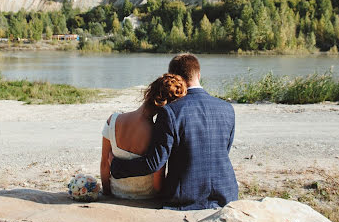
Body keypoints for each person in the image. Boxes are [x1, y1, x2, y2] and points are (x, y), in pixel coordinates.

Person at [110, 53, 238, 210]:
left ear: (173, 78)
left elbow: (154, 163)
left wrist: (116, 166)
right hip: (226, 195)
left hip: (185, 200)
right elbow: (223, 151)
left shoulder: (170, 112)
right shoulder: (227, 108)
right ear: (198, 74)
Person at [100, 73, 187, 199]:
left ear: (149, 92)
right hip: (146, 196)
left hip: (116, 192)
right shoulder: (159, 133)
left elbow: (104, 164)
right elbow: (157, 185)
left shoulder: (113, 120)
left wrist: (107, 193)